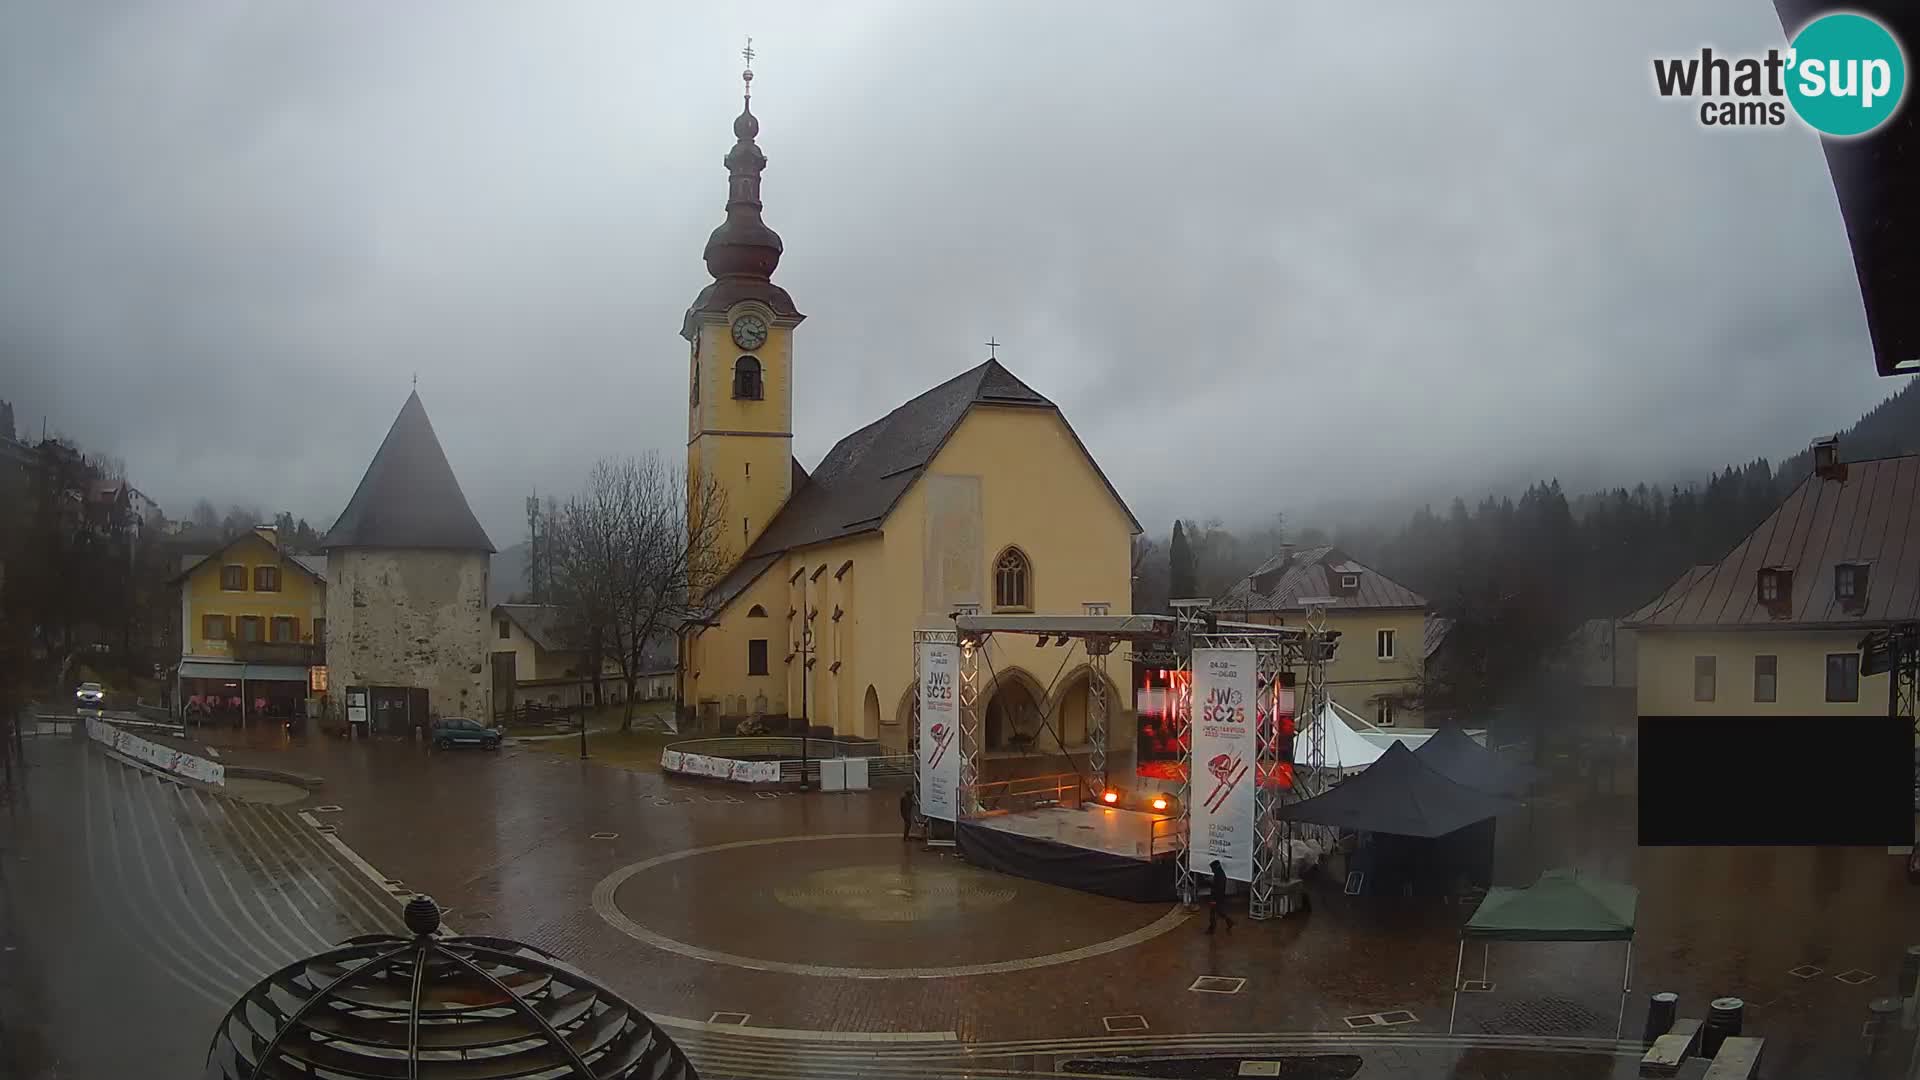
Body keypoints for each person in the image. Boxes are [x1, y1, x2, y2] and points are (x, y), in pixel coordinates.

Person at [1206, 859, 1234, 934]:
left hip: (1216, 897)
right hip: (1218, 897)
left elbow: (1218, 887)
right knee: (1219, 912)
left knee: (1213, 913)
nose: (1212, 870)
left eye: (1212, 868)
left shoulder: (1219, 875)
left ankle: (1212, 928)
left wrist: (1214, 899)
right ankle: (1229, 922)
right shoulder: (1220, 874)